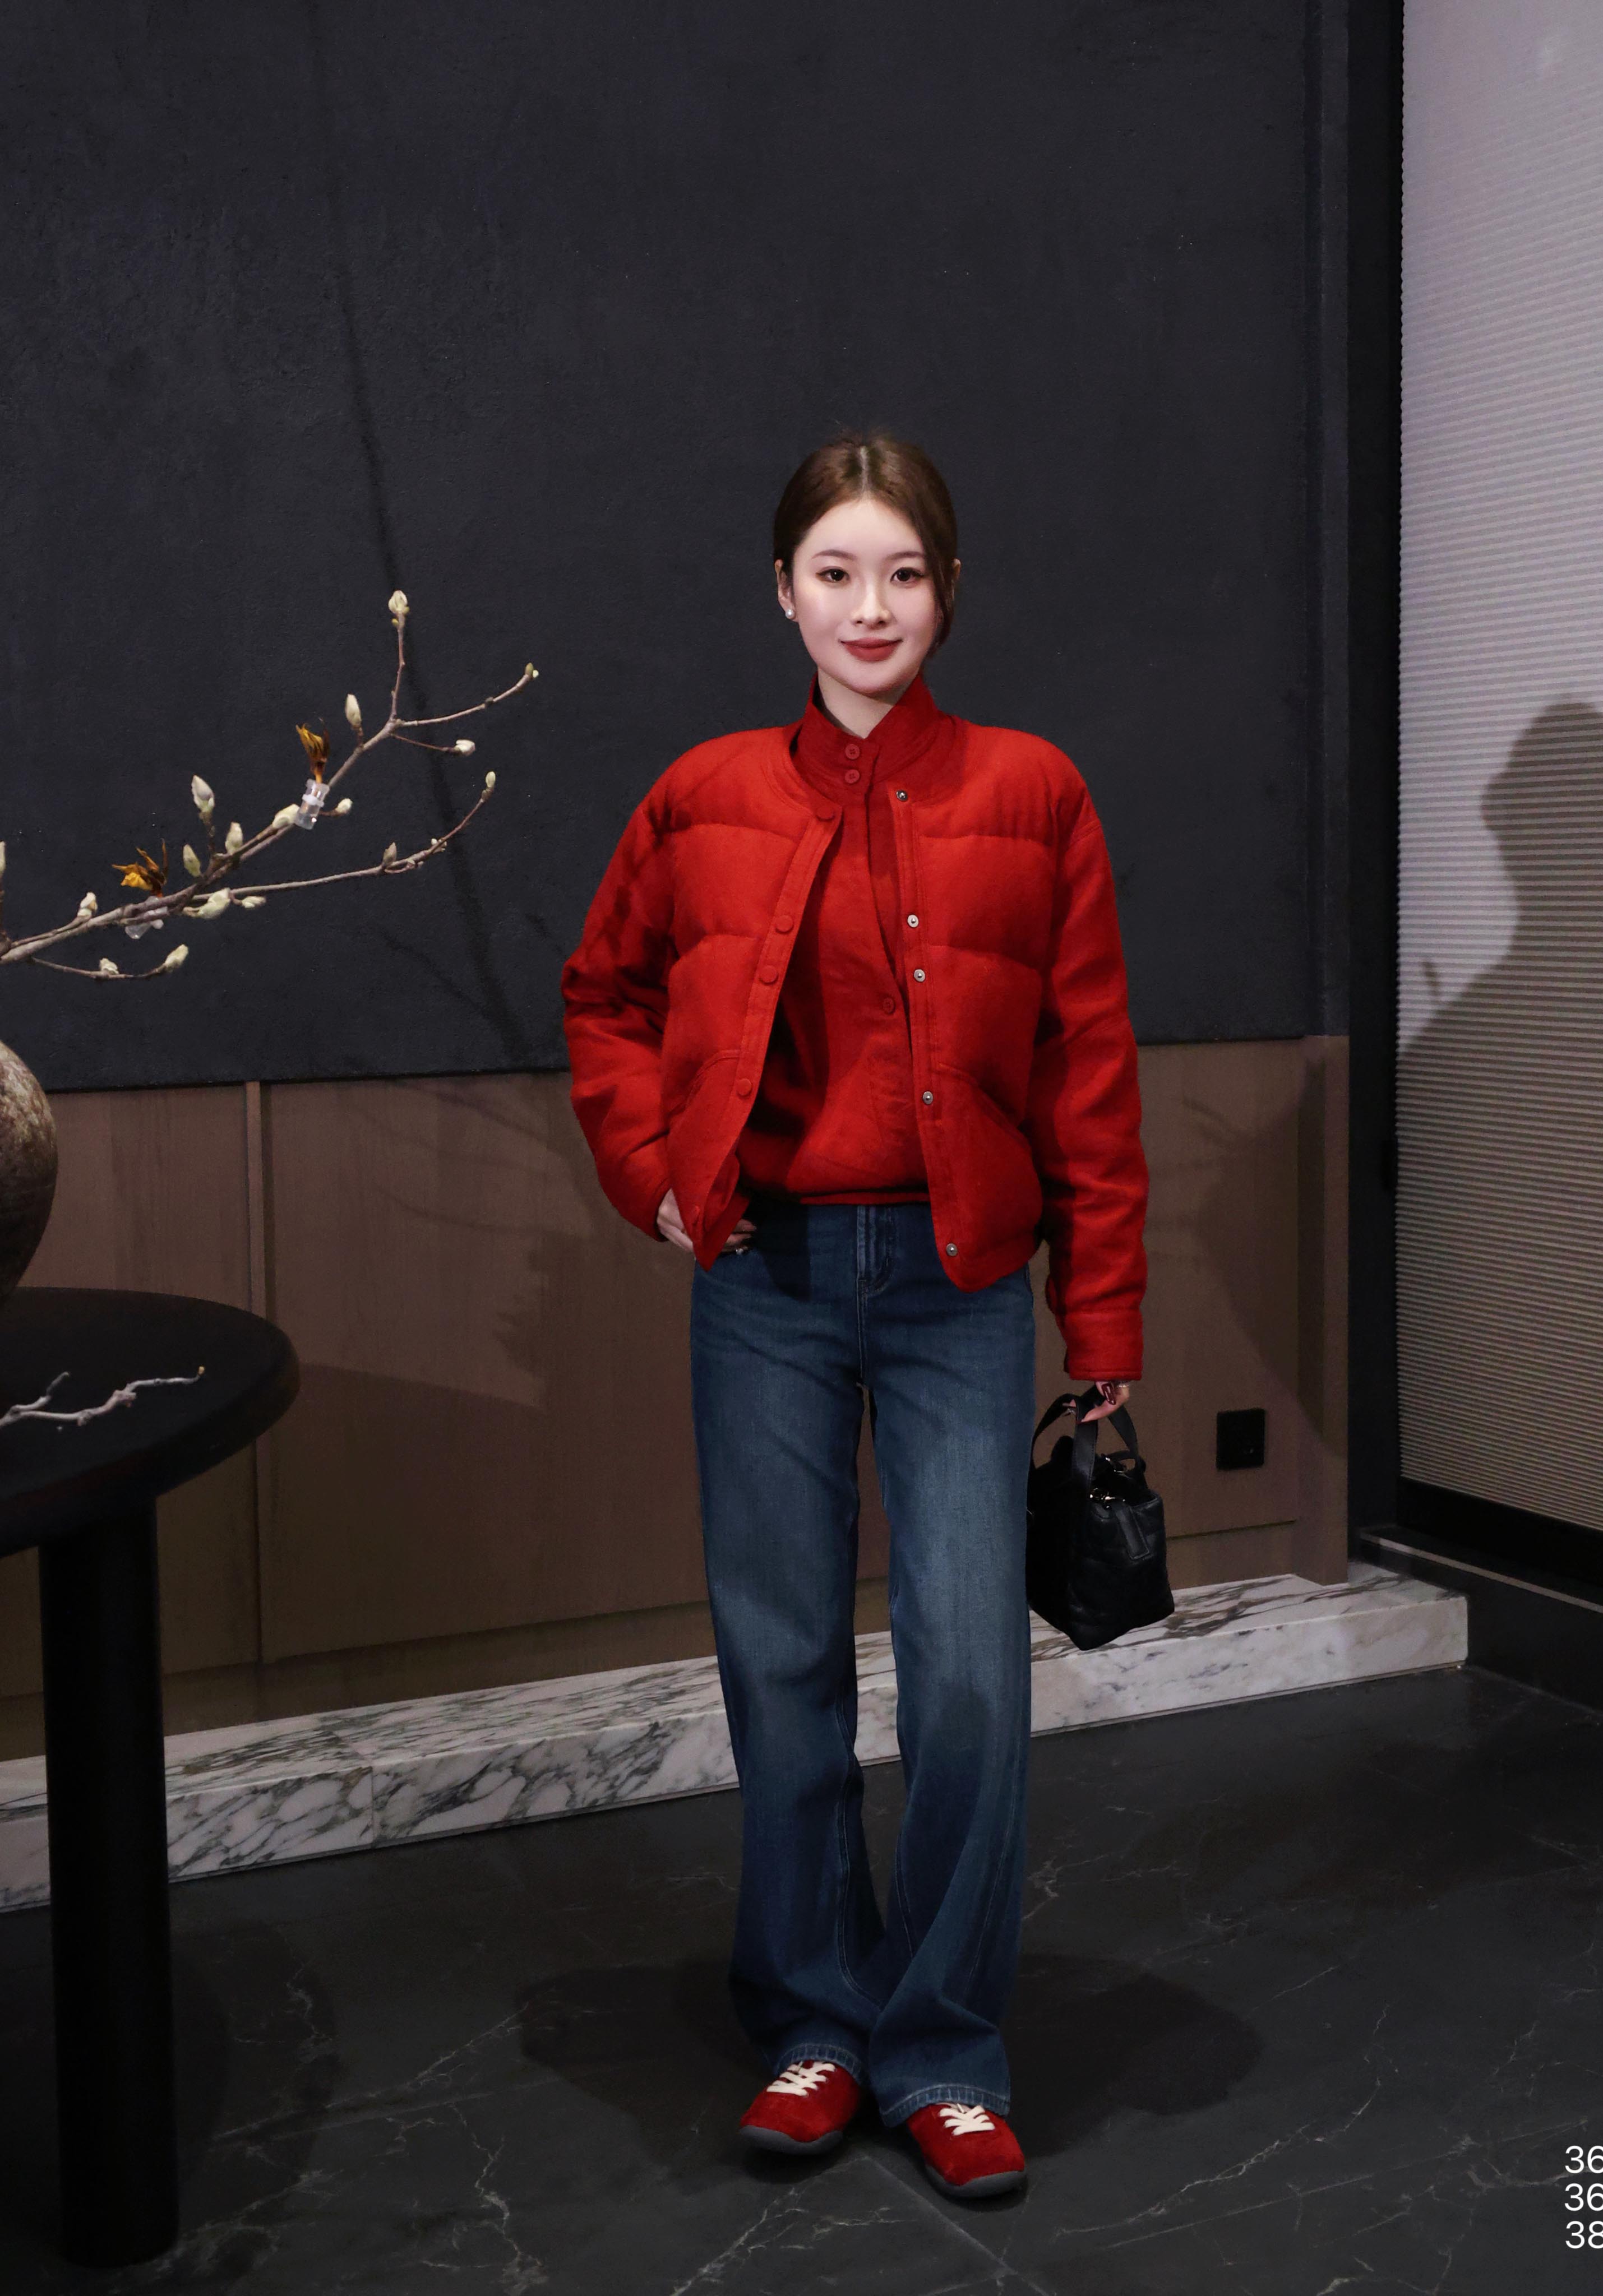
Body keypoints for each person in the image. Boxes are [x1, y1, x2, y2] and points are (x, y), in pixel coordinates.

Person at [560, 432, 1147, 2202]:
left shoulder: (1035, 793)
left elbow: (1089, 1073)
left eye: (901, 573)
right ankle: (815, 2022)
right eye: (835, 573)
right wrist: (651, 1170)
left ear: (946, 591)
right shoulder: (701, 794)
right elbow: (603, 993)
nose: (869, 607)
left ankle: (943, 2044)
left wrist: (1101, 1328)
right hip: (767, 1282)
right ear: (783, 592)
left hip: (960, 1291)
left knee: (969, 1677)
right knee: (783, 1663)